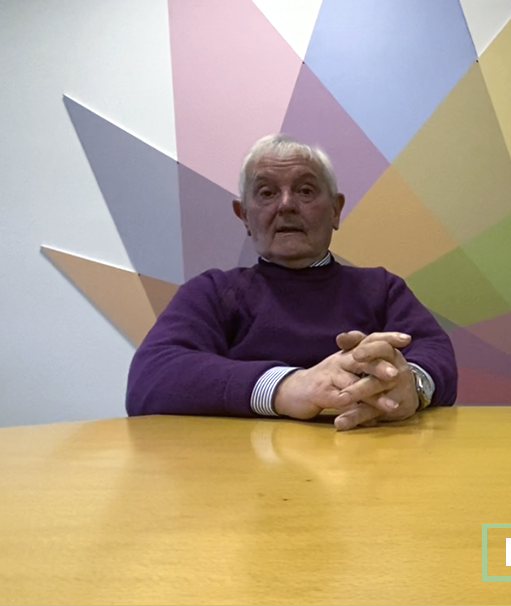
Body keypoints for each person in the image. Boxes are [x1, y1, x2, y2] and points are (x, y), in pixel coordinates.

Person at [127, 134, 457, 430]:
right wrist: (286, 387)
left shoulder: (382, 289)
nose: (286, 205)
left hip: (367, 463)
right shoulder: (212, 292)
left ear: (336, 210)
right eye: (267, 193)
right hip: (242, 470)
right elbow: (150, 377)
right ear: (244, 216)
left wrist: (411, 386)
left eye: (305, 191)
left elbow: (435, 354)